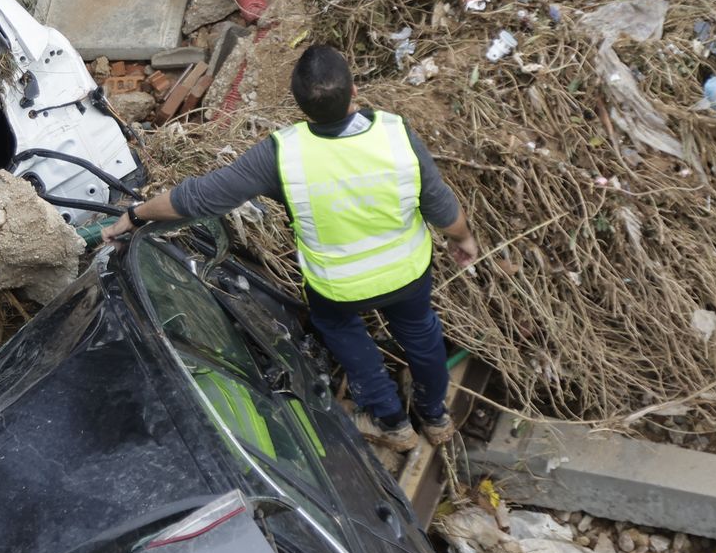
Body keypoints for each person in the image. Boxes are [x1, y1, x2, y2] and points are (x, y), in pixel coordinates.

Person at [103, 45, 478, 451]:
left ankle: (392, 423)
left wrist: (138, 214)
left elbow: (197, 199)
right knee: (422, 334)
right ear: (354, 92)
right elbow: (441, 207)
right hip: (408, 273)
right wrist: (464, 239)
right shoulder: (395, 134)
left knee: (344, 334)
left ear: (301, 106)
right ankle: (435, 417)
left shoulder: (281, 155)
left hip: (339, 288)